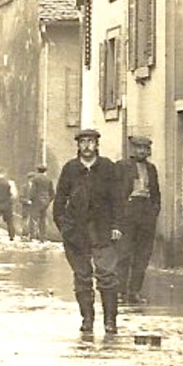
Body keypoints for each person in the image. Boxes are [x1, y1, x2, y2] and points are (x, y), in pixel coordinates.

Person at [54, 130, 123, 337]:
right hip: (77, 233)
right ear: (78, 145)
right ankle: (87, 319)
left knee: (107, 276)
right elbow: (59, 200)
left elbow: (118, 199)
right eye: (83, 142)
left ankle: (110, 321)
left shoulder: (107, 168)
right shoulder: (70, 169)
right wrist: (64, 227)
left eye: (90, 142)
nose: (86, 146)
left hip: (103, 232)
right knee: (82, 277)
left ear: (97, 144)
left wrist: (117, 225)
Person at [117, 135, 162, 305]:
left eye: (145, 148)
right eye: (138, 148)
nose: (142, 151)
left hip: (146, 215)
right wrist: (120, 214)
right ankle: (120, 291)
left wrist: (154, 210)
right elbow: (115, 192)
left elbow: (156, 193)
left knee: (142, 255)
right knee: (124, 254)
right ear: (132, 149)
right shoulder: (122, 166)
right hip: (128, 214)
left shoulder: (151, 169)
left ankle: (134, 291)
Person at [24, 164, 54, 242]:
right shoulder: (49, 179)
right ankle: (42, 238)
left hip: (36, 201)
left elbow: (33, 191)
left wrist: (30, 199)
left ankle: (33, 237)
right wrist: (48, 200)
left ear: (38, 170)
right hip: (45, 202)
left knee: (33, 219)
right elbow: (52, 193)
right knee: (43, 219)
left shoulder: (35, 179)